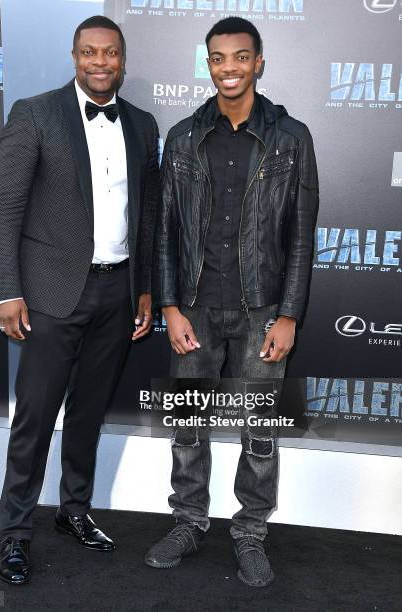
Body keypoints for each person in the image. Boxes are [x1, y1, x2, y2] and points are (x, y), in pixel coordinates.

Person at [146, 16, 318, 587]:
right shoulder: (183, 136)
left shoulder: (292, 138)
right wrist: (169, 307)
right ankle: (189, 521)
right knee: (189, 429)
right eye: (218, 58)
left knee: (259, 431)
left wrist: (289, 314)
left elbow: (300, 234)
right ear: (208, 64)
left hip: (263, 310)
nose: (228, 68)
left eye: (240, 57)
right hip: (193, 308)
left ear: (259, 62)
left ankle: (249, 534)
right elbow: (166, 231)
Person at [0, 15, 159, 585]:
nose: (100, 63)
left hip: (117, 289)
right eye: (89, 52)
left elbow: (148, 214)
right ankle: (14, 533)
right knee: (35, 418)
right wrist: (7, 291)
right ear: (74, 55)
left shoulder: (142, 124)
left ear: (123, 59)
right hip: (49, 293)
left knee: (88, 411)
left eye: (110, 53)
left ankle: (74, 510)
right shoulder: (34, 114)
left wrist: (144, 288)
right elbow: (7, 207)